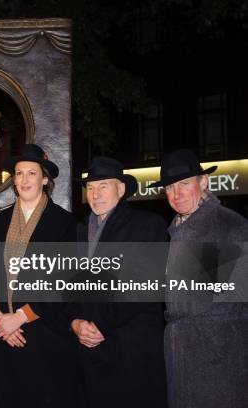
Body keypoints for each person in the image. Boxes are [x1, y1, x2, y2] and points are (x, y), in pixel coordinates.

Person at [150, 149, 248, 408]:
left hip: (219, 361)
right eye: (170, 187)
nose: (176, 194)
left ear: (203, 182)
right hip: (182, 355)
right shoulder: (178, 228)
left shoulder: (229, 225)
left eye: (184, 184)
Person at [0, 144, 82, 407]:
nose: (24, 180)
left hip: (44, 337)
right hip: (3, 336)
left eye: (31, 173)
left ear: (45, 179)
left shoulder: (63, 223)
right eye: (19, 174)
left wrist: (18, 317)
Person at [70, 156, 168, 407]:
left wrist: (100, 324)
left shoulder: (147, 225)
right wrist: (75, 322)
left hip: (131, 354)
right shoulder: (79, 231)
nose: (95, 193)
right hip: (89, 357)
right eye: (90, 187)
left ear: (121, 189)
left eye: (104, 185)